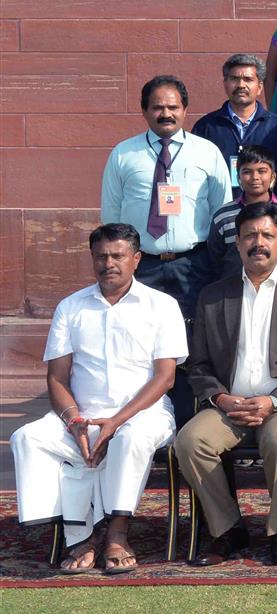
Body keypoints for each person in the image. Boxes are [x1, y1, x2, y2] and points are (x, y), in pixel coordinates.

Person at [11, 223, 186, 573]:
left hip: (143, 413)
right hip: (81, 415)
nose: (109, 263)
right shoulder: (71, 307)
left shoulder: (161, 306)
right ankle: (79, 537)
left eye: (118, 256)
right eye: (101, 256)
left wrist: (116, 421)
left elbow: (166, 378)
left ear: (136, 259)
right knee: (26, 437)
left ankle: (117, 534)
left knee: (130, 437)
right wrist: (73, 420)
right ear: (92, 260)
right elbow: (57, 378)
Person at [175, 202, 277, 567]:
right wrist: (222, 398)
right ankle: (227, 528)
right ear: (237, 243)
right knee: (191, 441)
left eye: (266, 236)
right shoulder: (214, 295)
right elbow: (197, 363)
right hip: (229, 404)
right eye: (250, 236)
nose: (258, 243)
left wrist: (273, 402)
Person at [101, 75, 231, 318]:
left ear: (185, 110)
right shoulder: (124, 154)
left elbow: (221, 210)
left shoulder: (206, 152)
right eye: (158, 107)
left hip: (193, 265)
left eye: (173, 107)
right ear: (144, 110)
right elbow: (111, 216)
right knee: (140, 332)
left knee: (193, 336)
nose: (166, 114)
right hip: (142, 265)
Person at [191, 53, 277, 208]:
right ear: (225, 84)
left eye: (248, 79)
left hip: (267, 216)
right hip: (220, 213)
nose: (241, 85)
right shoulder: (206, 128)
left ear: (260, 87)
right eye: (234, 79)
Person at [206, 145, 277, 279]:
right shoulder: (223, 216)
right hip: (234, 292)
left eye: (262, 171)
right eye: (247, 172)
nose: (255, 177)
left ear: (273, 176)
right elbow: (215, 261)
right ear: (238, 177)